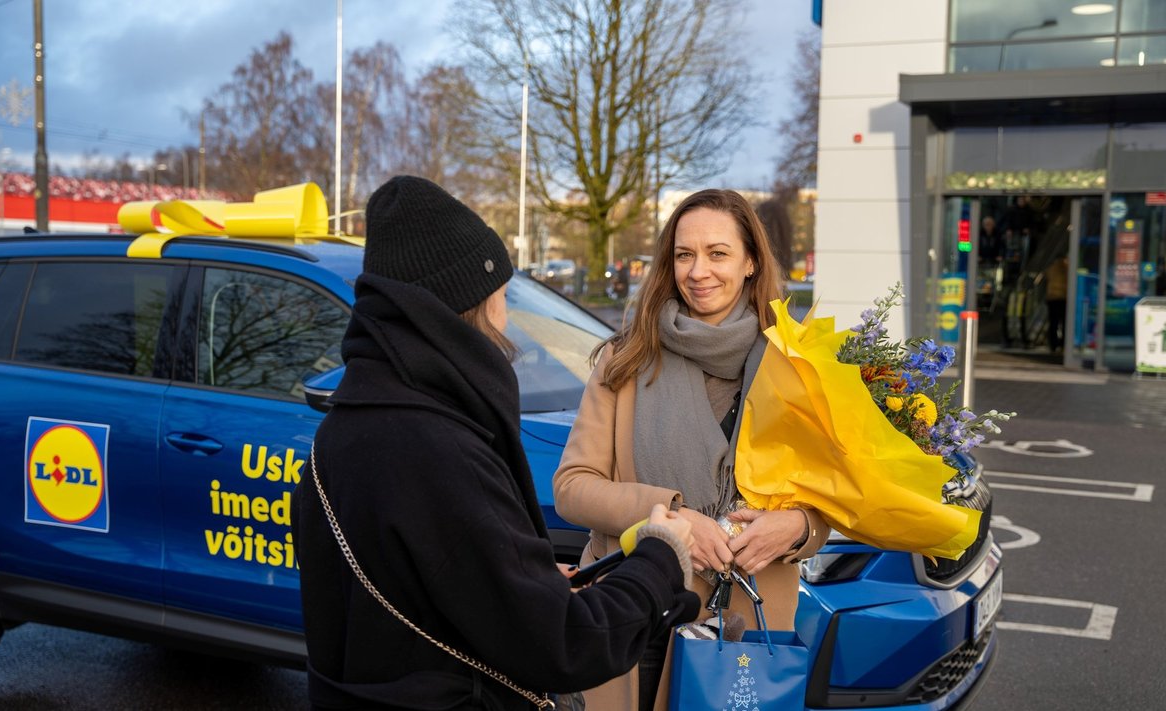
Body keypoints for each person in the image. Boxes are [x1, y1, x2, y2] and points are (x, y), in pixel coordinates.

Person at [292, 176, 702, 711]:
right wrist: (659, 558)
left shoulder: (347, 426)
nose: (507, 316)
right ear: (465, 306)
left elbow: (420, 586)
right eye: (502, 295)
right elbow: (567, 644)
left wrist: (520, 578)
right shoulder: (438, 449)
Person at [553, 189, 831, 711]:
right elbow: (572, 488)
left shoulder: (794, 366)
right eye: (685, 255)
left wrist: (797, 528)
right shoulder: (627, 359)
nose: (698, 270)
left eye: (718, 253)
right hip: (638, 613)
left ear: (751, 262)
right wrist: (673, 520)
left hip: (748, 625)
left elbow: (824, 503)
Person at [1045, 254, 1068, 354]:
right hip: (1064, 298)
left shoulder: (1051, 269)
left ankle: (1053, 345)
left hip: (1052, 298)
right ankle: (1063, 345)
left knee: (1053, 322)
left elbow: (1047, 277)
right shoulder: (1067, 268)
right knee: (1065, 323)